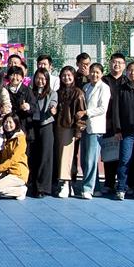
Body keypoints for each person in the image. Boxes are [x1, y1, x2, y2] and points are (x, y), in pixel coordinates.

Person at [108, 60, 134, 201]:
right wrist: (118, 129)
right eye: (130, 70)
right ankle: (121, 188)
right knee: (124, 160)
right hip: (127, 132)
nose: (133, 73)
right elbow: (116, 111)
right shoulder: (121, 89)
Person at [54, 67, 86, 198]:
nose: (66, 78)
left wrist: (78, 131)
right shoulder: (58, 92)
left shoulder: (78, 93)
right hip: (58, 127)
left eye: (69, 75)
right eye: (64, 75)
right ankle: (67, 184)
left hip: (69, 128)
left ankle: (65, 184)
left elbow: (81, 114)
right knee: (60, 156)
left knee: (66, 157)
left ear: (73, 77)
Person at [24, 70, 56, 197]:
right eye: (38, 78)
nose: (40, 81)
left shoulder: (52, 93)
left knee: (45, 156)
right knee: (32, 155)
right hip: (32, 125)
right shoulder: (30, 92)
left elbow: (53, 104)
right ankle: (31, 184)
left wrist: (52, 109)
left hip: (45, 126)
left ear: (47, 80)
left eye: (43, 79)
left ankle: (42, 188)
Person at [81, 63, 111, 199]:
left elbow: (102, 108)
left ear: (102, 74)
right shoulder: (86, 87)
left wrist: (86, 112)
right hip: (84, 127)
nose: (94, 74)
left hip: (96, 128)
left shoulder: (104, 88)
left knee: (91, 160)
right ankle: (96, 187)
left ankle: (87, 188)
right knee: (84, 159)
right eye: (92, 72)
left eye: (97, 72)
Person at [0, 112, 30, 200]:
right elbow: (1, 159)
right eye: (6, 122)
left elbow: (13, 160)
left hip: (17, 173)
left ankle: (20, 190)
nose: (7, 125)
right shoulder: (4, 138)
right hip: (6, 171)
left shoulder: (20, 139)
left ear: (16, 124)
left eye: (10, 122)